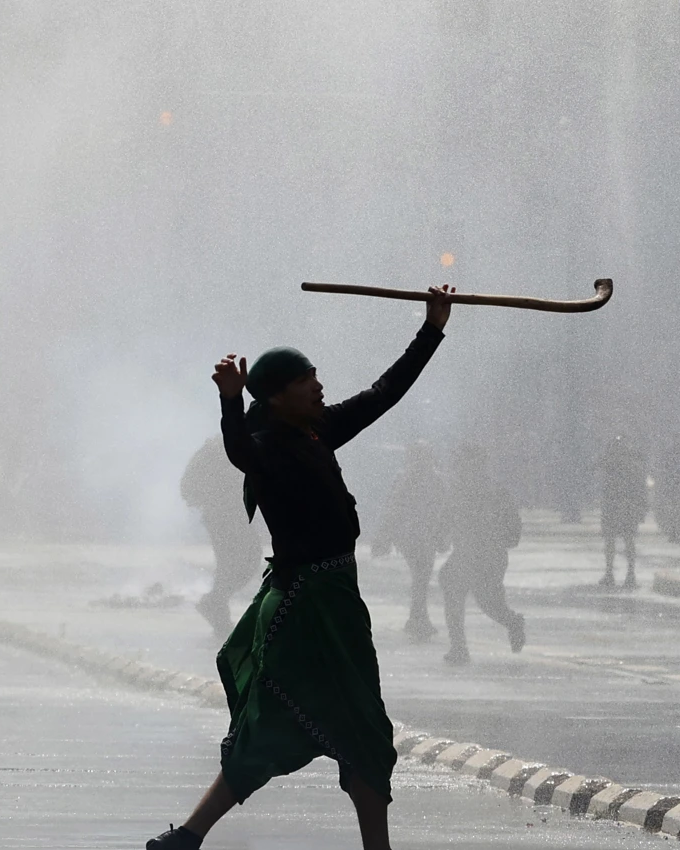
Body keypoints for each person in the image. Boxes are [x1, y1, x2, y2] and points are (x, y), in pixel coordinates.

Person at [145, 285, 455, 850]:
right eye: (306, 381)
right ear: (277, 397)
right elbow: (236, 449)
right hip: (302, 606)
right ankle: (189, 835)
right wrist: (231, 400)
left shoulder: (317, 430)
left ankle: (191, 837)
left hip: (337, 603)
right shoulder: (265, 448)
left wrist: (432, 327)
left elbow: (384, 393)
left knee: (358, 729)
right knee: (303, 724)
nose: (320, 386)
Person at [438, 444, 523, 665]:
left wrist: (503, 540)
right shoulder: (458, 490)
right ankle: (458, 647)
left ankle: (512, 622)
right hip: (465, 554)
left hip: (489, 555)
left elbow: (513, 524)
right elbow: (446, 518)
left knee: (489, 602)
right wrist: (441, 537)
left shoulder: (494, 491)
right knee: (452, 589)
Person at [181, 437, 261, 635]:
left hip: (233, 514)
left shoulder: (232, 444)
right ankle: (216, 607)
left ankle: (217, 606)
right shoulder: (222, 446)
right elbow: (189, 486)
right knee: (241, 561)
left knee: (240, 561)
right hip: (224, 515)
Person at [367, 442, 447, 640]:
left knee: (420, 576)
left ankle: (417, 617)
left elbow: (392, 508)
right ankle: (418, 619)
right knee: (421, 576)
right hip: (416, 535)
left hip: (414, 535)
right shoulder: (428, 479)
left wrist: (384, 535)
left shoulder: (409, 478)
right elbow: (394, 507)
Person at [596, 435, 647, 588]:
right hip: (627, 508)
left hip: (613, 507)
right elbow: (640, 489)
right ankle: (630, 574)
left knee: (611, 542)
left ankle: (610, 573)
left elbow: (599, 475)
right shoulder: (634, 465)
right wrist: (641, 509)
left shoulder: (609, 464)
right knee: (628, 541)